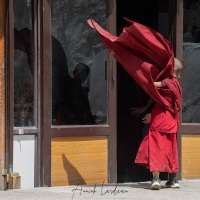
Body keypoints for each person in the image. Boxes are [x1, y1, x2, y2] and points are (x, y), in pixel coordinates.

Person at [133, 58, 183, 190]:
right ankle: (173, 180)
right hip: (171, 120)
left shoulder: (168, 82)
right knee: (171, 150)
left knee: (156, 148)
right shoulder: (177, 84)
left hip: (161, 120)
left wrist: (141, 76)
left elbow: (155, 85)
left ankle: (156, 179)